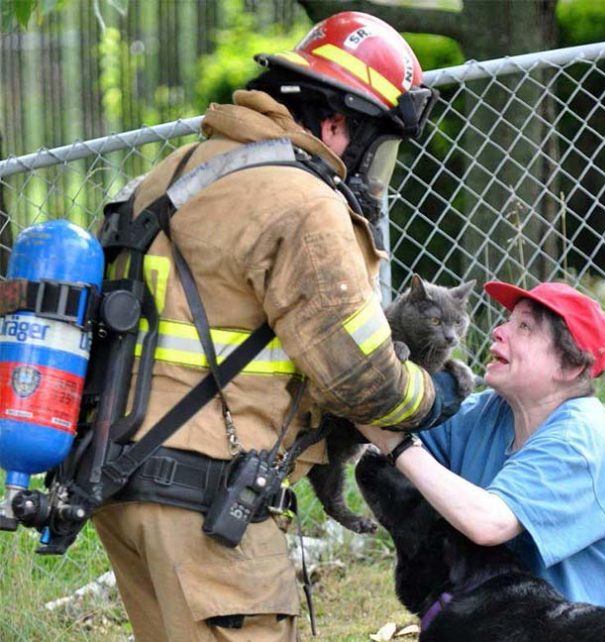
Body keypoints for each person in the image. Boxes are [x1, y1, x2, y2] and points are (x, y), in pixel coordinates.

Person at [91, 12, 465, 642]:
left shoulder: (182, 168)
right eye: (380, 146)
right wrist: (439, 395)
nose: (375, 171)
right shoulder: (304, 200)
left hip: (121, 477)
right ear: (339, 123)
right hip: (206, 498)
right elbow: (362, 381)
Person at [358, 281, 605, 614]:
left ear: (569, 367)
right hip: (530, 628)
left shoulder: (580, 441)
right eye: (507, 320)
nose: (498, 331)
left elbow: (489, 524)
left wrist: (396, 446)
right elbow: (384, 425)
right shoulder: (489, 412)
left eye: (524, 327)